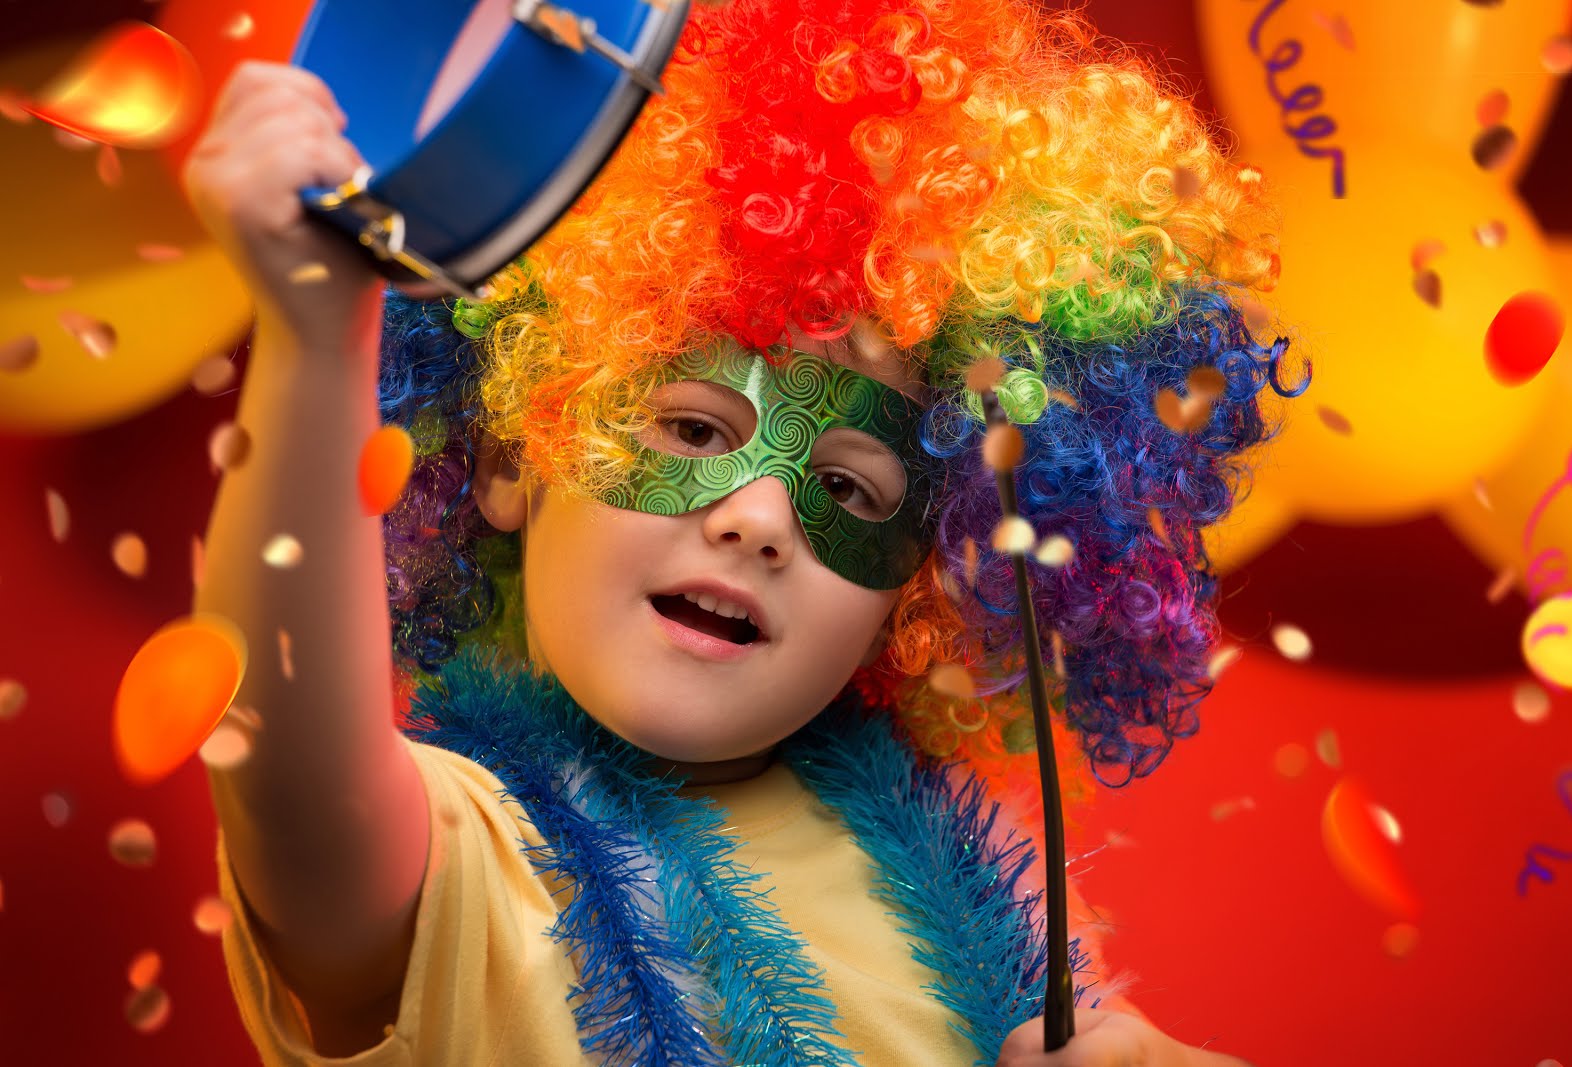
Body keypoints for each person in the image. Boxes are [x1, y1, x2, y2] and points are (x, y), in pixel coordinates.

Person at [184, 0, 1301, 1063]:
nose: (762, 517)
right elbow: (291, 776)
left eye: (851, 492)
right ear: (515, 455)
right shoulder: (461, 861)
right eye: (688, 424)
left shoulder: (996, 901)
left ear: (912, 592)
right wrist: (314, 338)